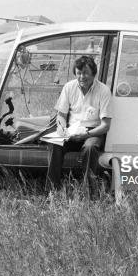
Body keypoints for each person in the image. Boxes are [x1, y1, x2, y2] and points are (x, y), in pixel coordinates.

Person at [46, 55, 112, 193]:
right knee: (54, 144)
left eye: (86, 73)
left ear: (94, 74)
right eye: (79, 73)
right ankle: (52, 190)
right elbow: (61, 115)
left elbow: (105, 125)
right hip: (72, 130)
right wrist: (61, 127)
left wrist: (85, 135)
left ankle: (88, 190)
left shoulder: (104, 91)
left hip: (93, 131)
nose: (82, 77)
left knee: (90, 147)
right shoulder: (69, 87)